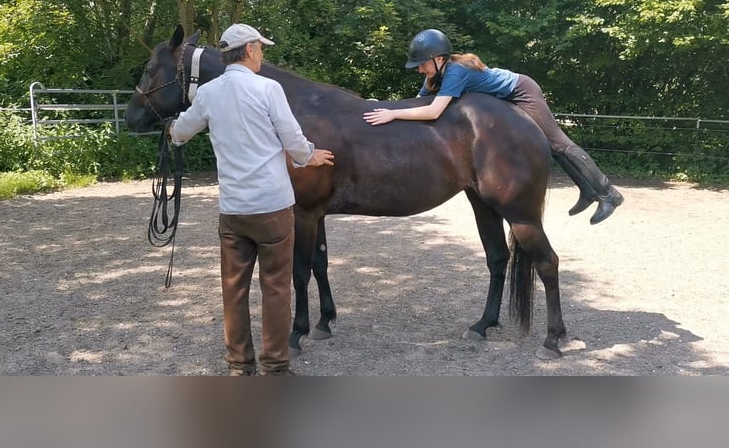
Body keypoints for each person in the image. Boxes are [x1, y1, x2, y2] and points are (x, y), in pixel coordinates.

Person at [169, 23, 335, 376]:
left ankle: (238, 366)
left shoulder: (208, 94)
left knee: (234, 289)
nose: (262, 54)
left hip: (233, 210)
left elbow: (180, 133)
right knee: (275, 287)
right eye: (261, 48)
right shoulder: (268, 88)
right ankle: (274, 367)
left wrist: (170, 129)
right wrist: (310, 155)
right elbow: (292, 139)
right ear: (248, 50)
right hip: (272, 206)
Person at [363, 28, 623, 225]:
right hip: (504, 98)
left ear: (438, 58)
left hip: (520, 90)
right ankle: (588, 192)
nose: (419, 69)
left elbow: (433, 111)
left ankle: (607, 193)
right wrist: (385, 105)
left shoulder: (455, 70)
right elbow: (418, 103)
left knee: (556, 143)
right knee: (553, 146)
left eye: (422, 63)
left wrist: (392, 114)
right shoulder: (436, 76)